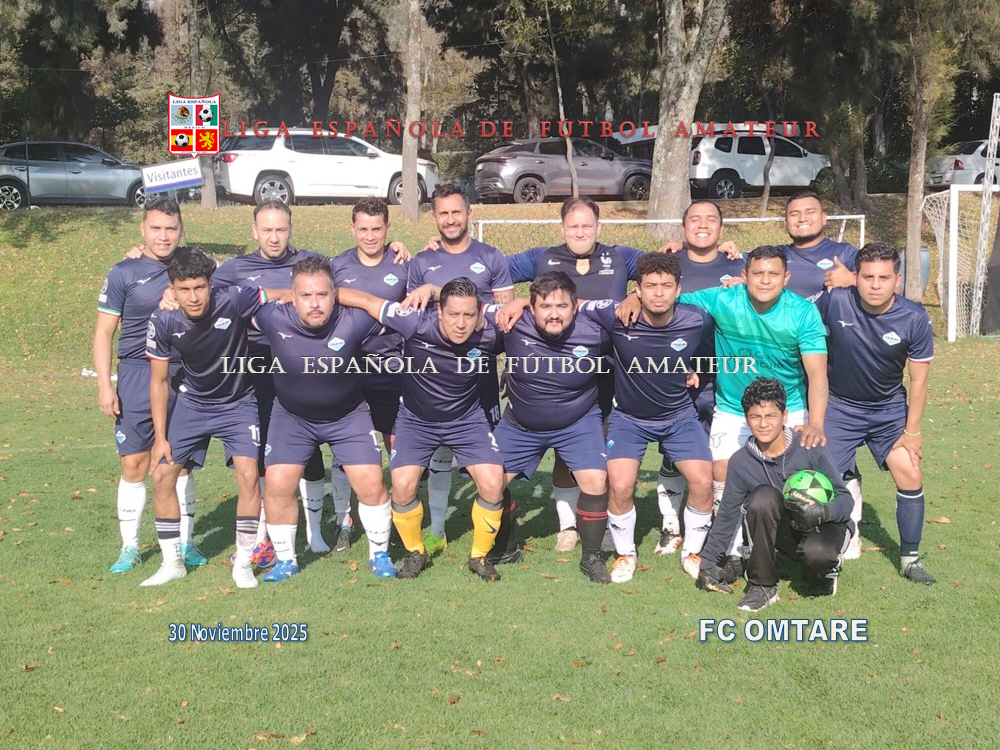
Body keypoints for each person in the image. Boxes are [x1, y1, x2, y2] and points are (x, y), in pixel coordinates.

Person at [622, 245, 829, 582]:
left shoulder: (803, 312)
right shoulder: (723, 299)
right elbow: (665, 296)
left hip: (787, 409)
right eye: (757, 273)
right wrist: (633, 298)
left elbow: (817, 374)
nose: (765, 280)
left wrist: (815, 423)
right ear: (744, 276)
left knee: (793, 482)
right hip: (733, 407)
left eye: (773, 274)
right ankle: (734, 550)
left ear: (787, 277)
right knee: (722, 472)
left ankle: (797, 546)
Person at [338, 278, 507, 581]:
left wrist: (520, 303)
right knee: (402, 485)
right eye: (453, 314)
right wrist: (312, 295)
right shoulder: (414, 322)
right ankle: (416, 552)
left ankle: (479, 557)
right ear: (439, 311)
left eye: (469, 315)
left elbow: (530, 312)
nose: (460, 323)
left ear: (479, 313)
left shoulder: (490, 333)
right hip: (416, 421)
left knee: (494, 483)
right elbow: (365, 300)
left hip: (467, 421)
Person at [505, 196, 647, 552]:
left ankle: (608, 524)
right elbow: (491, 269)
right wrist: (521, 301)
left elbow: (666, 270)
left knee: (600, 456)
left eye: (587, 225)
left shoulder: (620, 256)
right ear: (562, 227)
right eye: (573, 226)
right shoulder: (542, 257)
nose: (580, 232)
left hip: (609, 372)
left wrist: (636, 295)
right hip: (559, 368)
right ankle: (567, 526)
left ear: (598, 226)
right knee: (563, 453)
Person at [251, 257, 397, 582]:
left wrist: (356, 297)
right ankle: (286, 561)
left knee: (372, 482)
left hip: (348, 416)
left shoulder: (355, 319)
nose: (314, 304)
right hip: (292, 417)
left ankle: (380, 555)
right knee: (277, 484)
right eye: (305, 295)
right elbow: (225, 302)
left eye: (322, 295)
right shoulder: (272, 316)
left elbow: (396, 312)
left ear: (335, 294)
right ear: (292, 296)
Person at [579, 253, 715, 583]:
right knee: (620, 486)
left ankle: (692, 552)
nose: (658, 293)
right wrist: (521, 304)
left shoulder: (697, 318)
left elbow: (711, 344)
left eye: (666, 286)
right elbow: (572, 305)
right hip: (629, 419)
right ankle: (626, 554)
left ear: (678, 289)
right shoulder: (616, 315)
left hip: (679, 416)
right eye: (650, 286)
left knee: (702, 482)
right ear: (637, 289)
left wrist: (693, 366)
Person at [212, 200, 330, 559]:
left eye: (281, 229)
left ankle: (315, 532)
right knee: (262, 449)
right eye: (267, 230)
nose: (274, 237)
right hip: (256, 365)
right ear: (254, 231)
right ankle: (263, 533)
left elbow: (351, 273)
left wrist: (395, 247)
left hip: (302, 362)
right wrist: (171, 293)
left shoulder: (312, 262)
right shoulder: (235, 269)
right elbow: (199, 292)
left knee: (310, 450)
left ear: (291, 228)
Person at [144, 251, 267, 588]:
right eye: (184, 289)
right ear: (172, 289)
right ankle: (173, 563)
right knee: (162, 476)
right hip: (192, 404)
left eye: (199, 287)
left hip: (238, 404)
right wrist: (160, 437)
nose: (193, 297)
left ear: (211, 284)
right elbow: (158, 381)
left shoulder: (234, 300)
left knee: (248, 476)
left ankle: (244, 563)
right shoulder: (163, 318)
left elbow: (283, 293)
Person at [93, 195, 202, 574]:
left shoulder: (194, 265)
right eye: (155, 228)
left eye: (171, 228)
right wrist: (105, 385)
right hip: (138, 373)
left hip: (184, 373)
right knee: (135, 462)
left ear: (181, 229)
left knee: (180, 463)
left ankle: (186, 543)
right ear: (142, 229)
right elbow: (104, 332)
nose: (163, 236)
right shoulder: (123, 271)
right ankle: (130, 547)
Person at [816, 243, 935, 583]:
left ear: (897, 280)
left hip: (888, 411)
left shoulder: (914, 317)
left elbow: (919, 380)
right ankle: (828, 545)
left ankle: (910, 560)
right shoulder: (835, 301)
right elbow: (797, 319)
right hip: (840, 407)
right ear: (855, 277)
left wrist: (912, 432)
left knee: (910, 471)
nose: (875, 285)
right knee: (824, 483)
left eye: (884, 278)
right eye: (868, 277)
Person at [487, 272, 613, 583]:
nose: (554, 314)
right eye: (545, 306)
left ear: (575, 306)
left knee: (595, 481)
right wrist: (429, 290)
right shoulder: (512, 322)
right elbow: (461, 310)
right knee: (489, 482)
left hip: (578, 421)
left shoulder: (596, 331)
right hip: (521, 424)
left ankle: (592, 558)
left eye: (562, 306)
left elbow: (643, 320)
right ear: (532, 307)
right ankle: (507, 547)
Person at [408, 182, 513, 554]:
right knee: (439, 452)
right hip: (437, 375)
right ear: (434, 217)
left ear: (469, 213)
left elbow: (506, 317)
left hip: (480, 371)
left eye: (456, 212)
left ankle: (500, 536)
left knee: (495, 456)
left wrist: (511, 365)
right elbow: (415, 316)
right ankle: (437, 528)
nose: (450, 219)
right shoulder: (421, 263)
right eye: (443, 213)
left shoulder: (492, 258)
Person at [695, 378, 853, 612]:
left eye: (771, 416)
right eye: (755, 417)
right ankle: (763, 585)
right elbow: (727, 514)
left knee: (817, 556)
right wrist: (708, 565)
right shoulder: (740, 462)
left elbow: (845, 498)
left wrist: (822, 511)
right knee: (762, 497)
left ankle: (825, 571)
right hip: (787, 532)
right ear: (746, 419)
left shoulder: (809, 445)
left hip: (826, 525)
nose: (763, 424)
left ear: (785, 416)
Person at [654, 200, 745, 557]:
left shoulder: (740, 263)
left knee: (724, 457)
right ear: (683, 227)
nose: (702, 225)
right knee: (673, 456)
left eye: (711, 219)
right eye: (694, 219)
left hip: (728, 377)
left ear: (722, 228)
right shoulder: (668, 262)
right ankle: (670, 527)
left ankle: (721, 529)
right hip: (678, 377)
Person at [780, 190, 858, 302]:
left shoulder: (846, 253)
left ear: (823, 218)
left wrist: (853, 280)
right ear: (786, 222)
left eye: (810, 212)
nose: (802, 219)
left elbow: (884, 284)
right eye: (794, 214)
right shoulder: (773, 256)